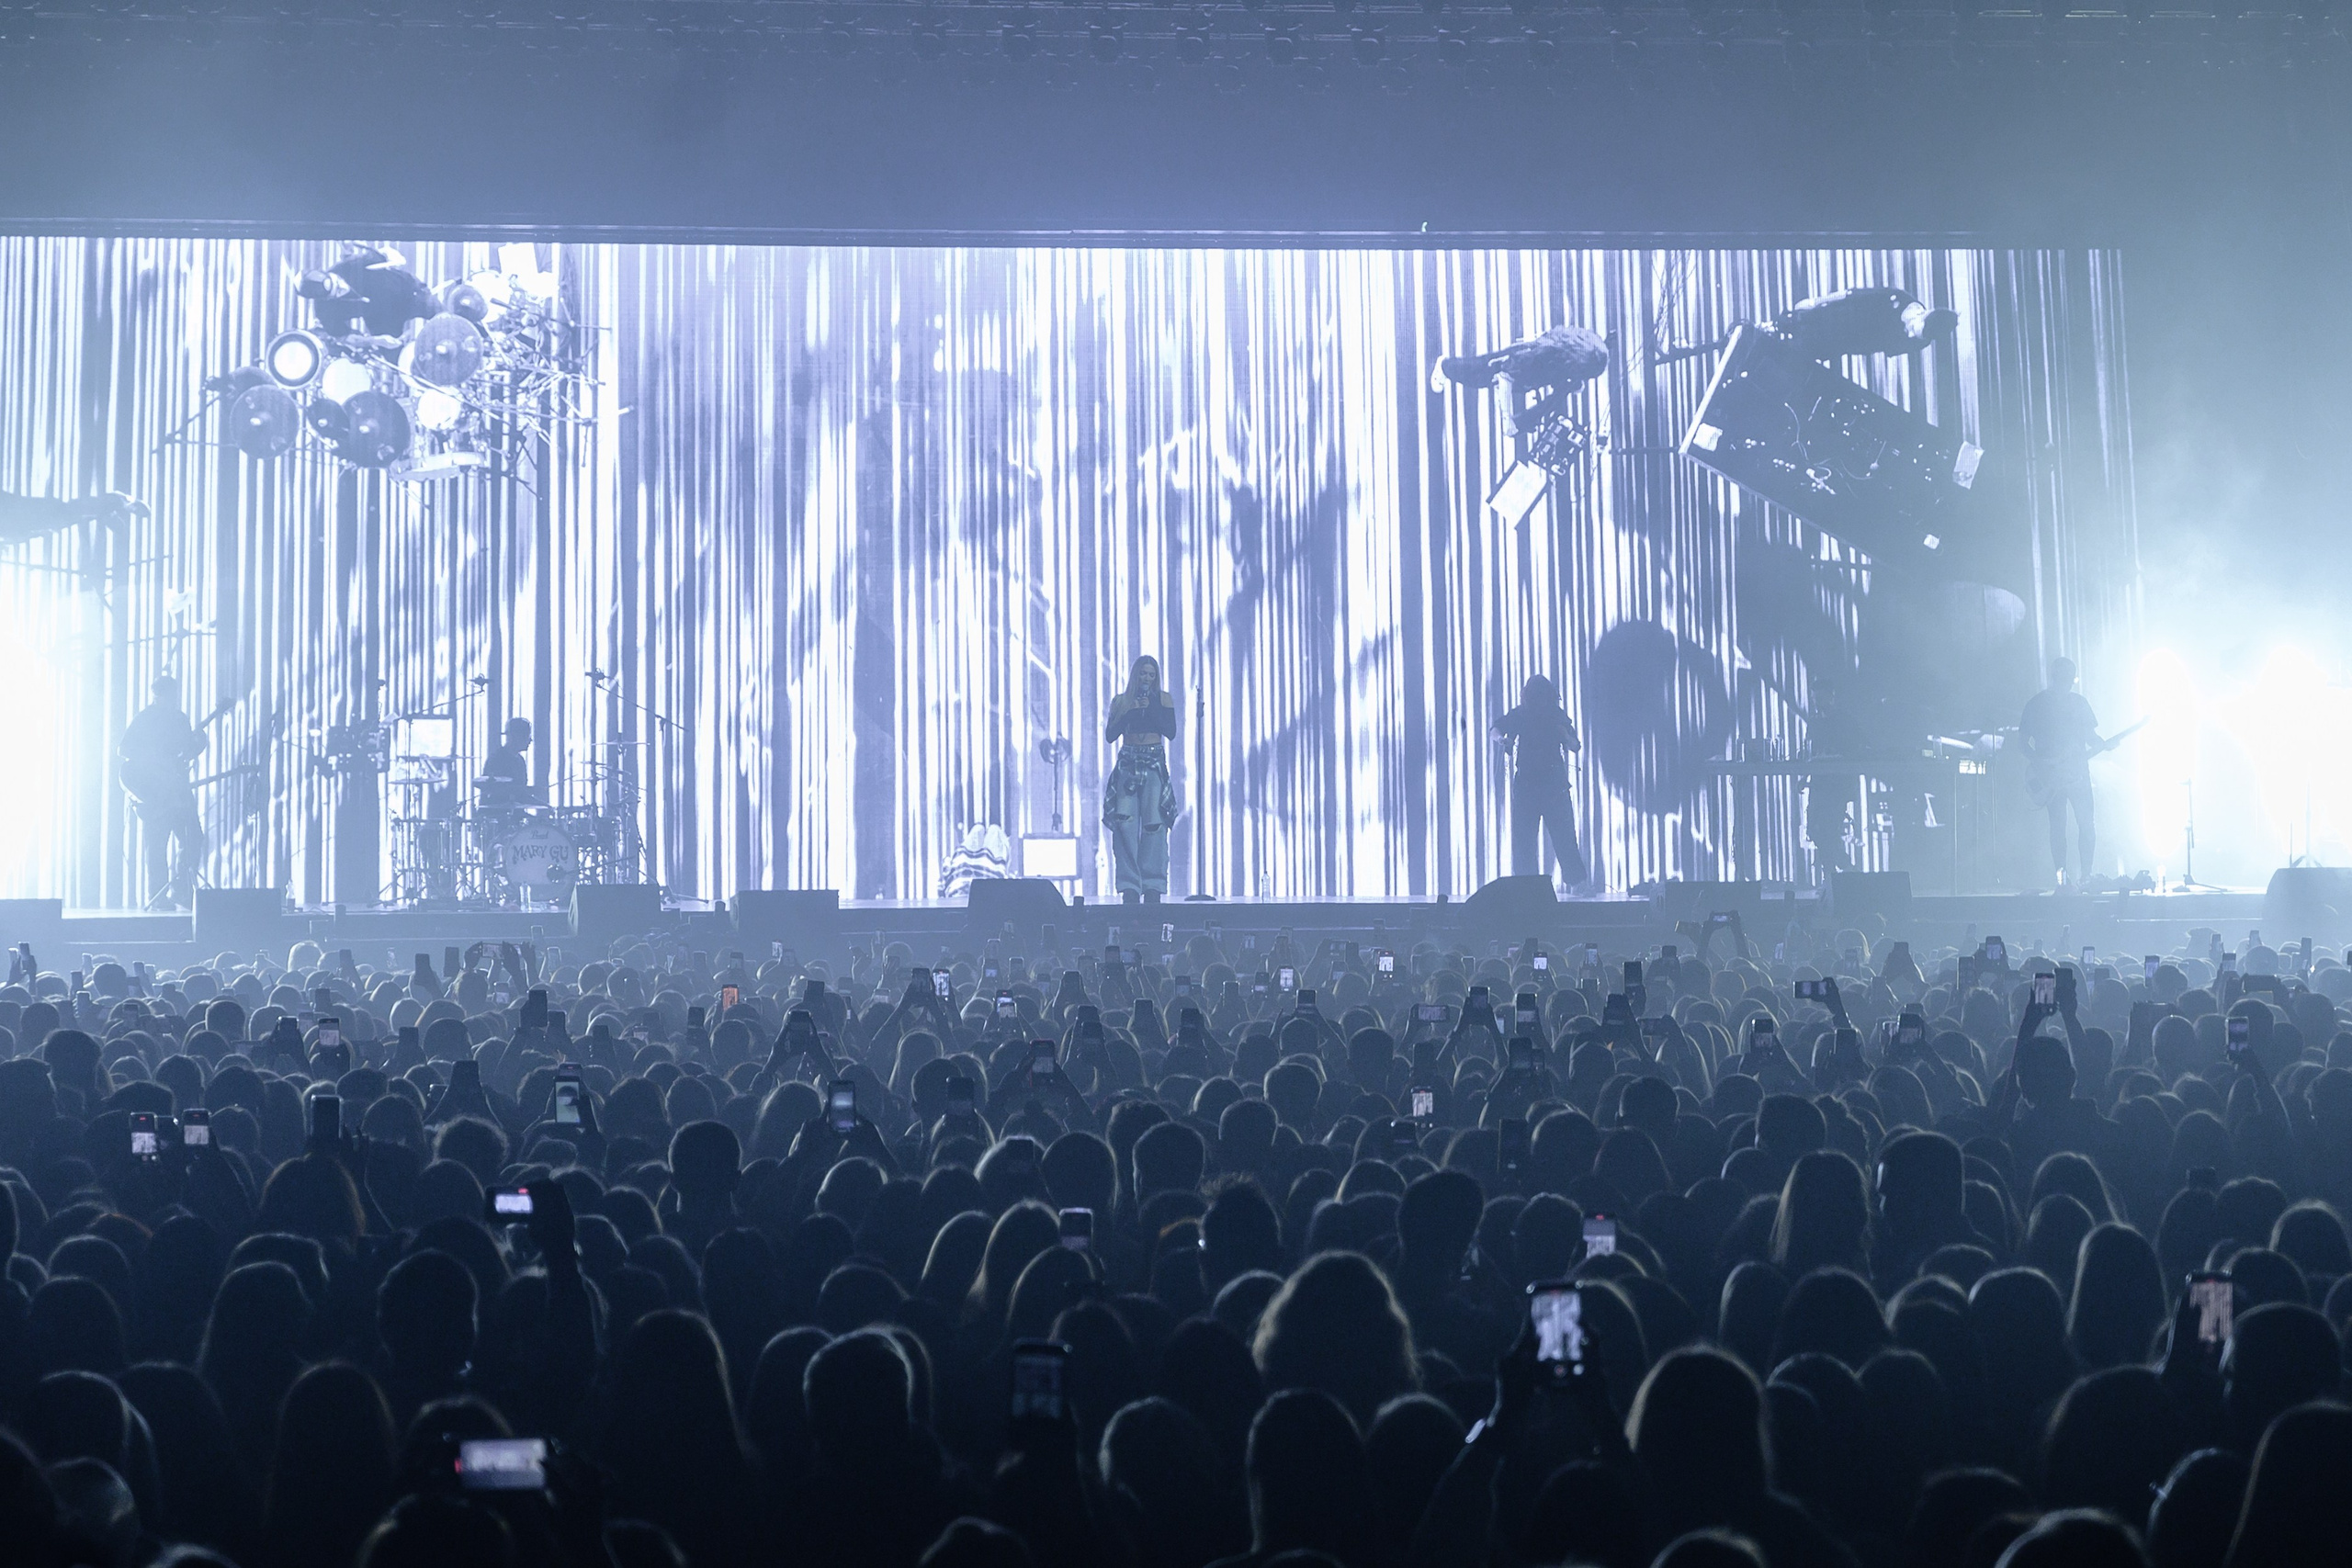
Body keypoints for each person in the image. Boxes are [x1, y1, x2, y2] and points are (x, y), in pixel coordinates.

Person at [118, 674, 209, 909]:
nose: (171, 700)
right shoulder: (145, 719)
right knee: (157, 847)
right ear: (156, 695)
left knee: (193, 838)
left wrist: (198, 743)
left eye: (174, 696)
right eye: (166, 696)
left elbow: (185, 752)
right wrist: (154, 757)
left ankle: (180, 889)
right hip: (154, 793)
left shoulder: (180, 719)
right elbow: (124, 749)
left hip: (178, 790)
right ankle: (158, 897)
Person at [1490, 675, 1589, 891]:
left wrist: (1567, 738)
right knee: (1525, 841)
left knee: (1563, 836)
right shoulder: (1521, 715)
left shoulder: (1555, 715)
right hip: (1528, 785)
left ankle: (1575, 882)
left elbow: (1573, 743)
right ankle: (1528, 888)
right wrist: (1501, 740)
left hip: (1553, 786)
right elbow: (1496, 728)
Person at [2018, 657, 2100, 886]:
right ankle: (2063, 878)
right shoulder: (2037, 704)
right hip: (2052, 778)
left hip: (2078, 776)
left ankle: (2085, 877)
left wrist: (2102, 743)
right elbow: (2023, 743)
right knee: (2060, 827)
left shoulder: (2079, 704)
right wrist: (2041, 764)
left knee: (2085, 824)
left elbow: (2090, 737)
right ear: (2055, 677)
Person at [1102, 657, 1177, 905]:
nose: (1147, 679)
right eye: (1143, 674)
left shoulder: (1163, 699)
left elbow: (1170, 731)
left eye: (1151, 674)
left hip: (1153, 762)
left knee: (1154, 825)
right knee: (1125, 825)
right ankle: (1129, 886)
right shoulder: (1121, 701)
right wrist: (1130, 711)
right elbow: (1111, 735)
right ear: (1135, 675)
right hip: (1128, 764)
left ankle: (1153, 885)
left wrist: (1151, 707)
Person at [474, 717, 538, 808]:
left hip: (516, 813)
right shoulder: (496, 759)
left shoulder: (520, 760)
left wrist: (544, 805)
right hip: (496, 815)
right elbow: (496, 791)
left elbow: (522, 795)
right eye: (526, 736)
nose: (530, 740)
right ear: (514, 737)